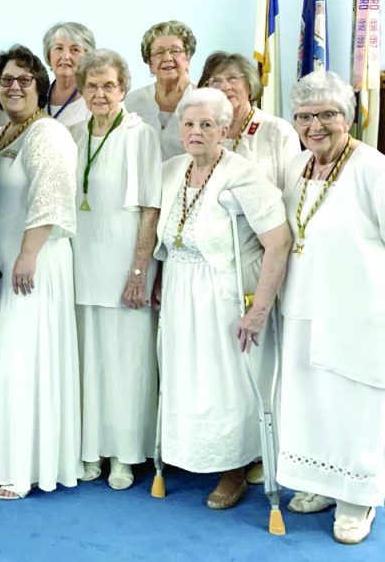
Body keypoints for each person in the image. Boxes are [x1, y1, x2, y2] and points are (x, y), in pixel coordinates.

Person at [276, 70, 385, 544]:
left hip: (363, 314)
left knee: (357, 407)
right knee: (314, 404)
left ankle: (357, 499)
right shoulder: (295, 168)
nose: (315, 125)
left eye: (328, 114)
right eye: (304, 116)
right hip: (305, 309)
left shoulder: (375, 171)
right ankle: (324, 485)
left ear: (349, 117)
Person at [154, 87, 291, 509]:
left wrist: (258, 311)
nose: (196, 132)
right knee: (187, 377)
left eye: (206, 125)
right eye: (189, 124)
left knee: (224, 383)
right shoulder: (172, 170)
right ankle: (191, 454)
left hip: (223, 295)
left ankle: (235, 468)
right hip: (180, 290)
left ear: (225, 130)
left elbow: (279, 242)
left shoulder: (243, 175)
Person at [0, 45, 80, 500]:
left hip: (31, 264)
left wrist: (28, 254)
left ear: (39, 85)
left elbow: (51, 195)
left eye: (24, 79)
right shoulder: (3, 132)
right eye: (6, 80)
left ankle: (23, 468)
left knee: (21, 363)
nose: (14, 87)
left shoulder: (47, 133)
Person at [69, 50, 161, 490]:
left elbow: (151, 207)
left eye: (109, 85)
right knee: (89, 361)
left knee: (125, 361)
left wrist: (139, 271)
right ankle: (92, 450)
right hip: (82, 264)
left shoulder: (139, 134)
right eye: (92, 86)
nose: (100, 93)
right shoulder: (73, 135)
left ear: (123, 88)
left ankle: (124, 454)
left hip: (125, 264)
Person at [198, 51, 300, 188]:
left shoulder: (278, 130)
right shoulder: (202, 132)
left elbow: (294, 189)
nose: (224, 87)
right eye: (216, 81)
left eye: (232, 78)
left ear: (250, 85)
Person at [126, 20, 197, 161]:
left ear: (188, 58)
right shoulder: (131, 103)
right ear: (150, 64)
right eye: (159, 53)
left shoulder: (205, 100)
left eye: (175, 51)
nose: (167, 58)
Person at [43, 21, 97, 129]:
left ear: (87, 57)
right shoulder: (36, 97)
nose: (66, 56)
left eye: (75, 50)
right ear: (49, 55)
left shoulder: (98, 99)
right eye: (59, 48)